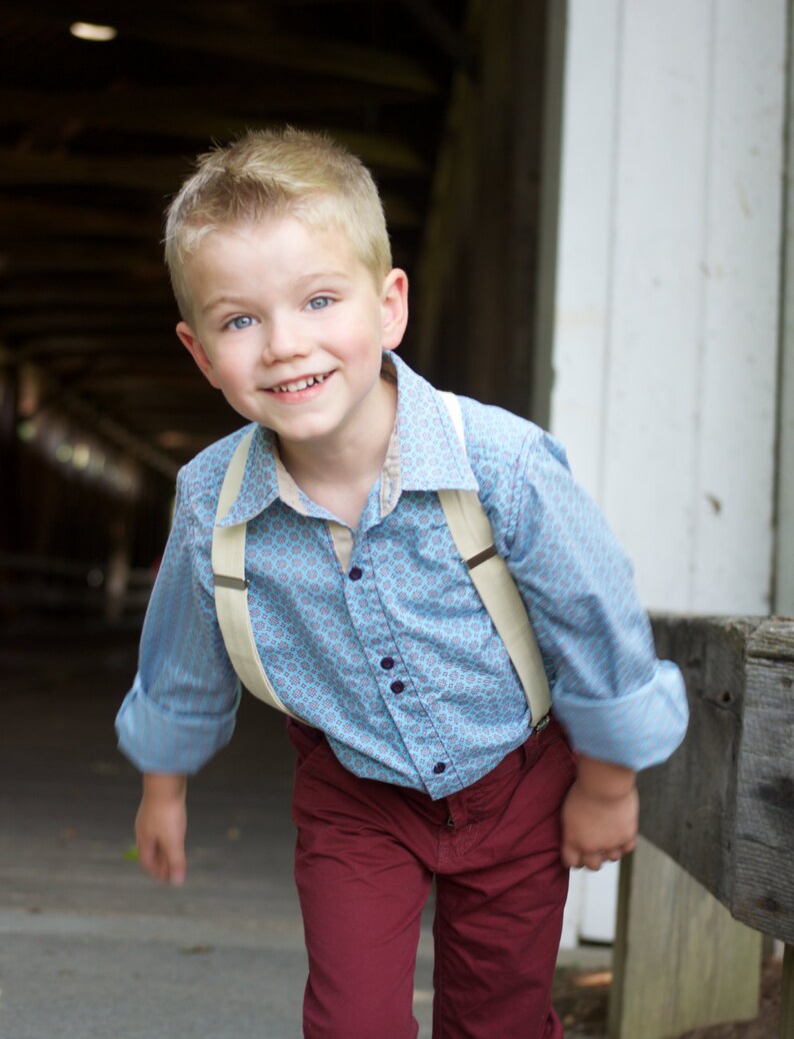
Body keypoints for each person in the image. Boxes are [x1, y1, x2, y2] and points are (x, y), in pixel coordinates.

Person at [116, 128, 688, 1039]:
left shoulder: (498, 462)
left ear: (389, 306)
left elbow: (596, 617)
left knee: (497, 1020)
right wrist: (164, 784)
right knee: (351, 1024)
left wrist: (609, 782)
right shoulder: (209, 502)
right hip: (355, 795)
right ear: (199, 352)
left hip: (517, 774)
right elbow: (186, 650)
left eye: (317, 300)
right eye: (240, 320)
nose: (283, 344)